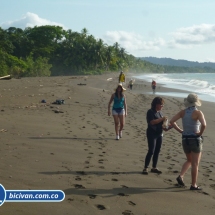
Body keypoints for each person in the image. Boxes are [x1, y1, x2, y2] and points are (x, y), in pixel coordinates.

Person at [170, 93, 206, 190]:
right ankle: (193, 184)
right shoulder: (198, 113)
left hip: (185, 139)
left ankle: (181, 175)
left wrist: (181, 131)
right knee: (195, 163)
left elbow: (172, 121)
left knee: (189, 160)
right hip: (195, 139)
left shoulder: (183, 112)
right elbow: (204, 125)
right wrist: (200, 133)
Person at [142, 97, 170, 175]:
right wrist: (162, 119)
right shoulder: (150, 112)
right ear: (156, 104)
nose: (162, 106)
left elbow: (163, 127)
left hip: (159, 134)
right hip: (152, 133)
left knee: (157, 151)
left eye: (162, 105)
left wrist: (169, 126)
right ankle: (145, 167)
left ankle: (154, 167)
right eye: (161, 104)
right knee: (151, 151)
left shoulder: (160, 113)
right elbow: (152, 122)